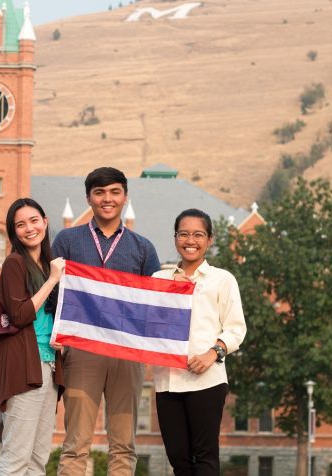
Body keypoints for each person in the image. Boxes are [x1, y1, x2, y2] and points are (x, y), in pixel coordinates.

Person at [51, 167, 161, 476]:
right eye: (99, 193)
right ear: (89, 198)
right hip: (82, 352)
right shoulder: (68, 240)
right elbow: (51, 293)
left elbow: (154, 303)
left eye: (114, 192)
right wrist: (56, 332)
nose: (107, 199)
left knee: (123, 445)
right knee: (75, 444)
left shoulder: (143, 248)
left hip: (127, 353)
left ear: (125, 197)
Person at [152, 208, 247, 476]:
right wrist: (172, 293)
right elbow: (148, 325)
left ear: (209, 240)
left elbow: (235, 329)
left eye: (198, 234)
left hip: (207, 380)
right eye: (184, 234)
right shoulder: (158, 280)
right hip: (167, 380)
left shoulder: (222, 279)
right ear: (175, 238)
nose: (190, 240)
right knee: (179, 458)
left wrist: (213, 353)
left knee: (205, 457)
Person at [0, 198, 66, 476]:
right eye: (20, 224)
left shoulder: (45, 266)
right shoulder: (14, 264)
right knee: (17, 457)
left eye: (34, 220)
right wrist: (53, 280)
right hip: (22, 369)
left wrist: (60, 338)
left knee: (37, 459)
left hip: (48, 366)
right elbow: (19, 315)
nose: (29, 228)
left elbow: (48, 318)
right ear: (13, 232)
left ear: (45, 222)